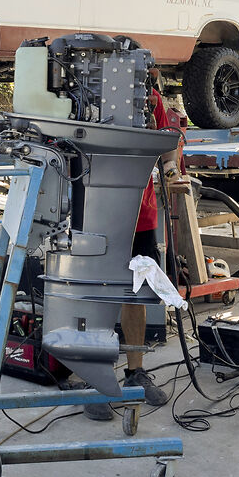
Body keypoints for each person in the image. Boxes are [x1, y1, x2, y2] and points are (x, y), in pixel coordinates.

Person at [84, 73, 176, 419]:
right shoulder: (88, 92)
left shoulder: (151, 96)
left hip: (141, 213)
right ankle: (95, 378)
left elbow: (167, 140)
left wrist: (170, 168)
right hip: (97, 211)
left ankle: (135, 371)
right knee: (96, 293)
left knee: (135, 293)